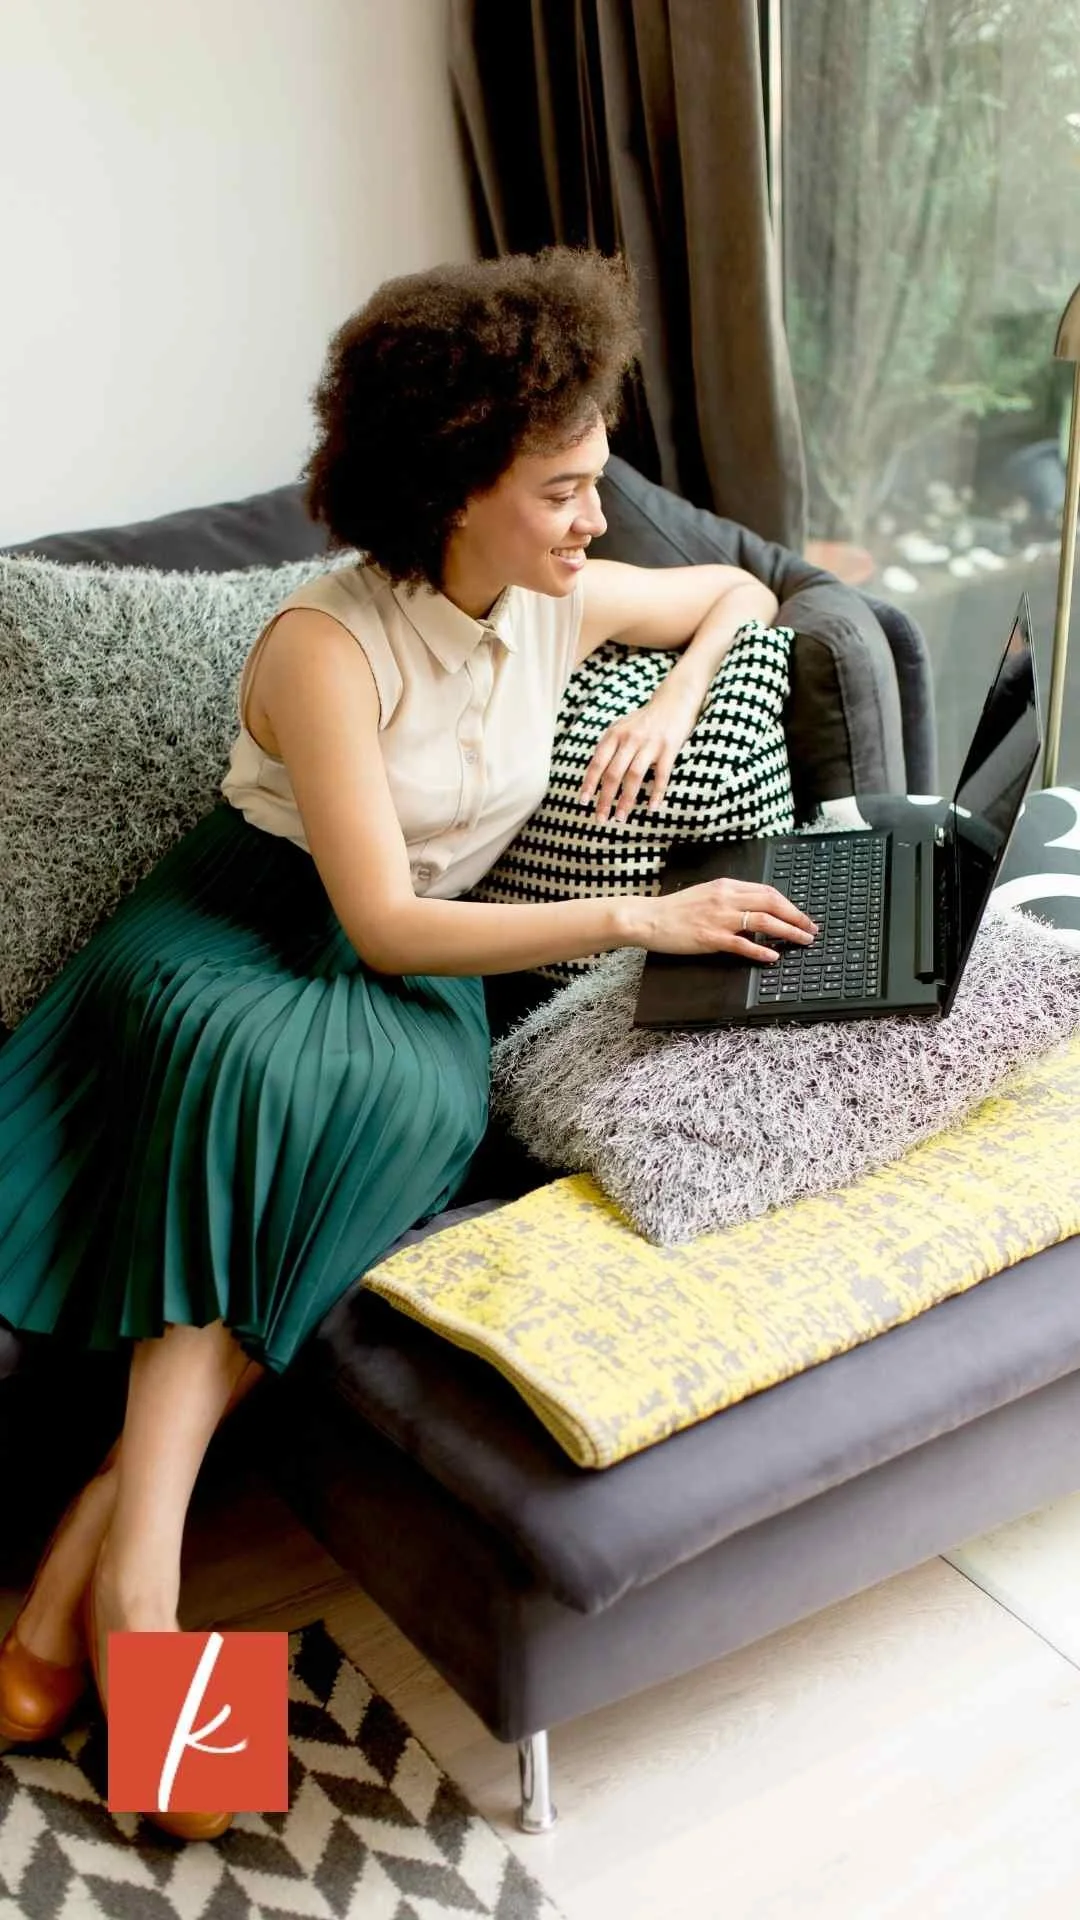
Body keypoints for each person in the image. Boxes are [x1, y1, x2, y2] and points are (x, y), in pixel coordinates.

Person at [0, 247, 815, 1839]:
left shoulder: (560, 600)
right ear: (457, 482)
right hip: (251, 934)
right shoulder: (326, 642)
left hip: (416, 994)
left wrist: (673, 699)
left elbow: (743, 590)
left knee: (397, 1107)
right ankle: (139, 1611)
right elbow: (379, 921)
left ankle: (69, 1583)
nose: (600, 518)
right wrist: (644, 922)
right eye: (567, 489)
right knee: (274, 1087)